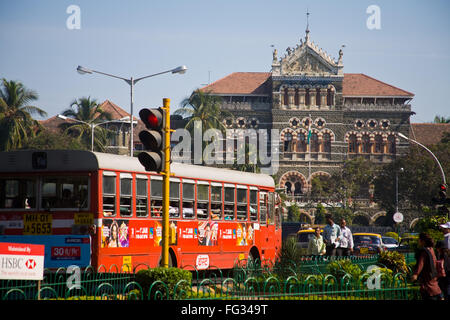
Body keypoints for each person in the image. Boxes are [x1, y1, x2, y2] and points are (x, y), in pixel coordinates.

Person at [411, 232, 442, 300]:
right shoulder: (431, 250)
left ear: (423, 241)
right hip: (433, 279)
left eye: (419, 240)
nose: (418, 241)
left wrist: (415, 274)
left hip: (427, 282)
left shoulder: (424, 252)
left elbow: (420, 264)